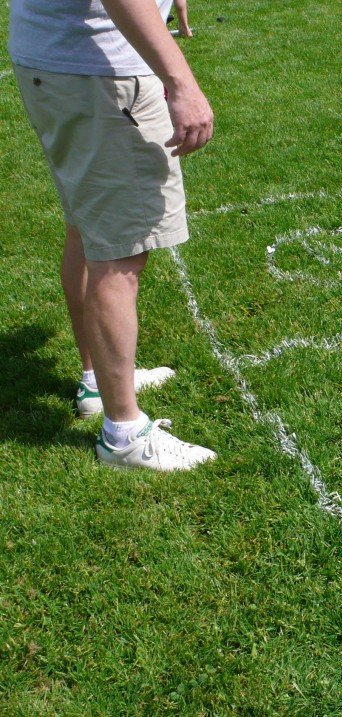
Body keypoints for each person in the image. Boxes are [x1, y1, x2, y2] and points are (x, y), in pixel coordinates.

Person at [9, 0, 217, 470]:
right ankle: (124, 435)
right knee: (120, 254)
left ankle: (96, 385)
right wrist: (181, 81)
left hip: (60, 63)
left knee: (86, 230)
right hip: (99, 74)